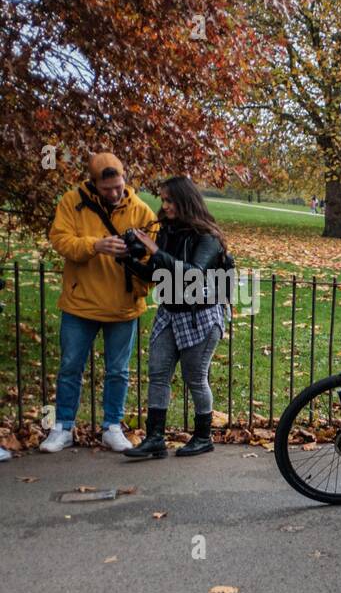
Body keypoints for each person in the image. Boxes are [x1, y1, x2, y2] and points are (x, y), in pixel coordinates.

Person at [42, 152, 157, 453]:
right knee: (70, 366)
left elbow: (156, 252)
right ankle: (62, 427)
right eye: (107, 190)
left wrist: (136, 251)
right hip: (80, 303)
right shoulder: (71, 202)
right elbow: (59, 240)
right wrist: (95, 245)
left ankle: (112, 427)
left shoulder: (141, 210)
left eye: (119, 186)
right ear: (93, 185)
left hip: (122, 304)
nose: (115, 193)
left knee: (118, 370)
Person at [121, 176, 230, 459]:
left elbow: (192, 272)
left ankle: (203, 436)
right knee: (158, 373)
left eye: (169, 200)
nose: (164, 205)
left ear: (185, 201)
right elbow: (161, 275)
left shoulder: (208, 238)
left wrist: (156, 251)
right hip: (170, 313)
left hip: (201, 315)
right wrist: (130, 262)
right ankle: (155, 437)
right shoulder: (168, 231)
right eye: (162, 199)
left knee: (195, 377)